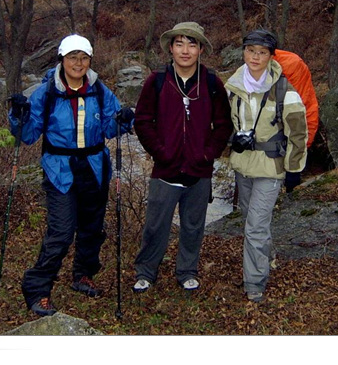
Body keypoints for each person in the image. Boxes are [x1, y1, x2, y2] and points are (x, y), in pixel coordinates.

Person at [8, 34, 134, 317]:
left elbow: (111, 127)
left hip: (94, 167)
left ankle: (82, 275)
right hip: (60, 170)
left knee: (92, 228)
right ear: (61, 60)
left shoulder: (99, 90)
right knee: (62, 232)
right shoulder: (46, 93)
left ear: (90, 60)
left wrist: (125, 120)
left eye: (84, 58)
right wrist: (18, 115)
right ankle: (37, 289)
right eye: (73, 57)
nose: (78, 63)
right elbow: (27, 135)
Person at [132, 22, 232, 293]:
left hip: (199, 170)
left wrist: (207, 154)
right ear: (171, 49)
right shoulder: (157, 80)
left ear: (201, 50)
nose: (185, 50)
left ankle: (187, 271)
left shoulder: (211, 82)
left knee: (193, 226)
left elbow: (224, 125)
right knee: (155, 226)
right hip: (165, 169)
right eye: (179, 44)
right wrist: (161, 152)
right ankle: (146, 272)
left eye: (192, 44)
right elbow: (142, 121)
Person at [224, 29, 308, 303]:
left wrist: (294, 169)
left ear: (271, 56)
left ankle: (254, 283)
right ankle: (267, 256)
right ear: (243, 52)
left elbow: (298, 133)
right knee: (250, 218)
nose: (255, 57)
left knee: (255, 227)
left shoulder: (285, 90)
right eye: (250, 51)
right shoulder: (232, 87)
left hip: (271, 168)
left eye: (262, 52)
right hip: (243, 165)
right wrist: (230, 140)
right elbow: (222, 123)